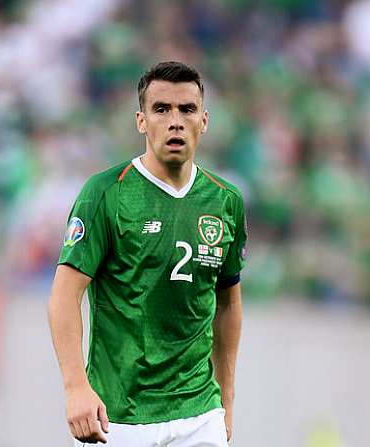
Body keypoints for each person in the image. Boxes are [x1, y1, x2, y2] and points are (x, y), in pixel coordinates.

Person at [47, 61, 247, 446]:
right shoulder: (106, 193)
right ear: (141, 121)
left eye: (187, 110)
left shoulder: (225, 201)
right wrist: (76, 388)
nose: (175, 121)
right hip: (118, 418)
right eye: (161, 109)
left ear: (204, 121)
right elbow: (63, 296)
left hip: (199, 413)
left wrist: (225, 402)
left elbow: (228, 304)